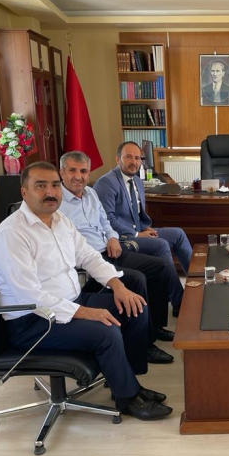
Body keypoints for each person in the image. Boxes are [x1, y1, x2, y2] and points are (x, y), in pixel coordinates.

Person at [0, 161, 172, 420]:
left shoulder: (60, 220)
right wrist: (87, 312)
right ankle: (128, 398)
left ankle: (127, 384)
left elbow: (88, 256)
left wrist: (117, 286)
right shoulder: (11, 234)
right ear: (24, 192)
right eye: (40, 186)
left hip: (71, 301)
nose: (50, 192)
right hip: (35, 320)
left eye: (54, 185)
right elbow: (29, 295)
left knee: (134, 306)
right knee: (106, 330)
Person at [58, 151, 178, 364]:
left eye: (83, 171)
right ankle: (144, 345)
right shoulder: (57, 203)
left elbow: (105, 221)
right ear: (61, 173)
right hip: (90, 262)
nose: (78, 176)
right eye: (72, 170)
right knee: (137, 279)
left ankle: (155, 326)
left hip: (110, 250)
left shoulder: (91, 193)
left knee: (160, 267)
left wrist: (112, 237)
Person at [94, 141, 193, 284]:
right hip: (121, 238)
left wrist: (145, 228)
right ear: (117, 159)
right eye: (128, 157)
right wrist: (137, 234)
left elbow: (136, 214)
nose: (134, 162)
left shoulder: (137, 181)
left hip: (138, 231)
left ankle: (196, 281)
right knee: (161, 244)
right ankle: (176, 294)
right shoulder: (106, 183)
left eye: (137, 158)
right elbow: (108, 220)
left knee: (178, 234)